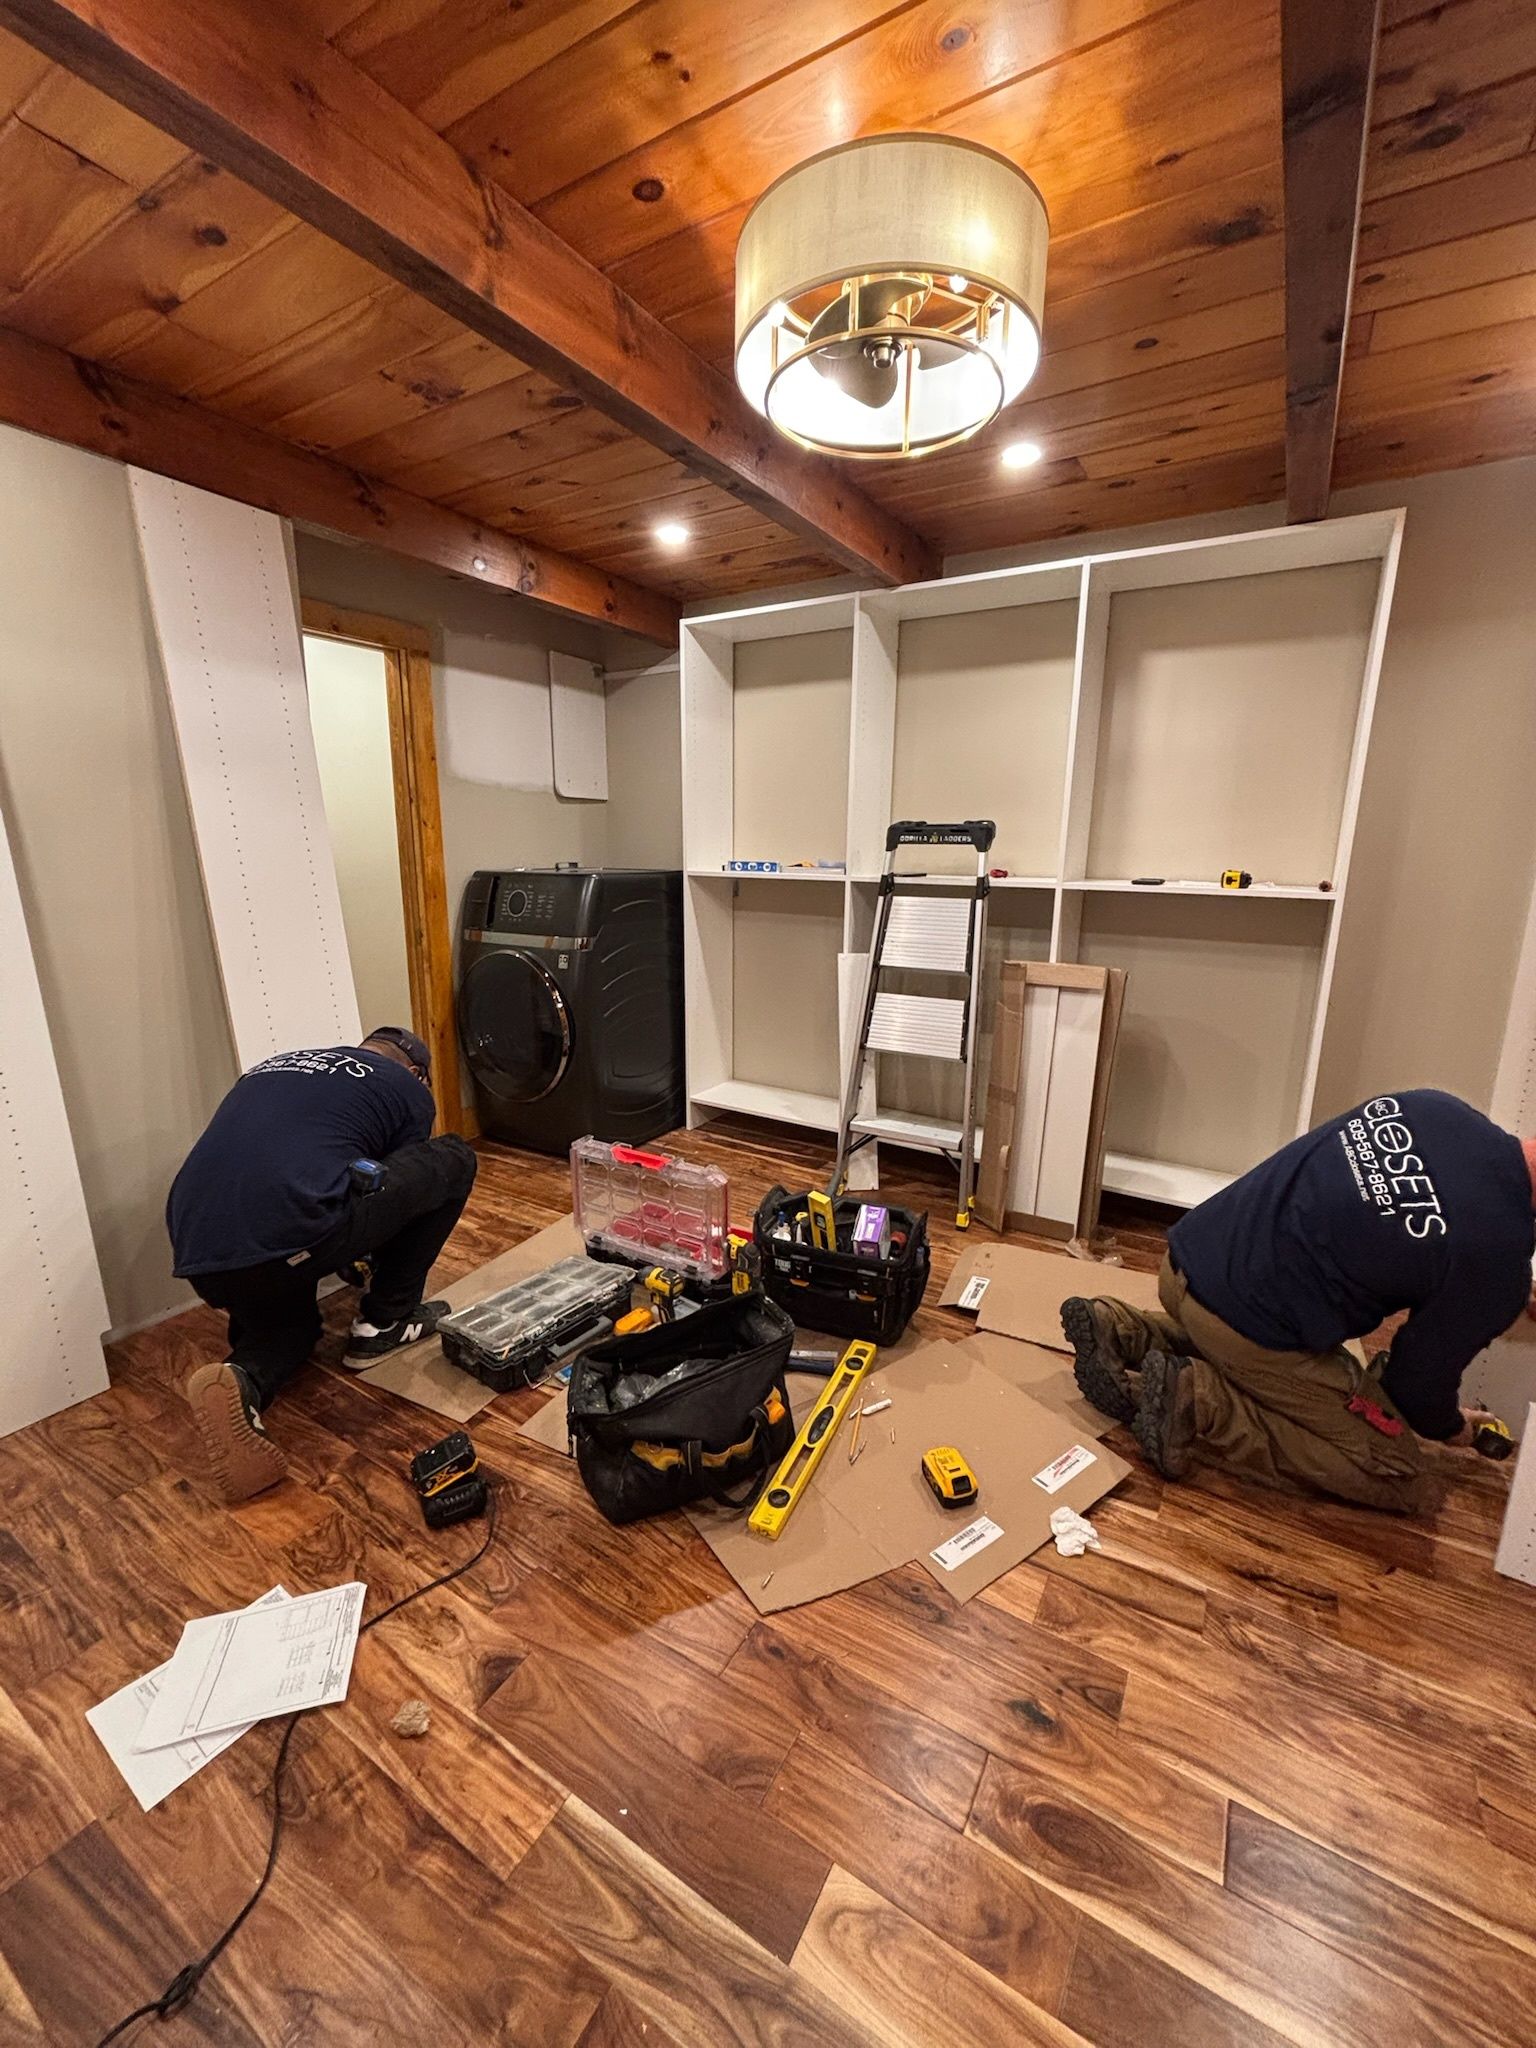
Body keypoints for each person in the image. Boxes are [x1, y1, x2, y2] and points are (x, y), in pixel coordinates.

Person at [1061, 1090, 1536, 1514]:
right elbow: (1414, 1389)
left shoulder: (1438, 1108)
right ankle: (1201, 1400)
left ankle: (1125, 1329)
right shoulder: (1496, 1260)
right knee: (1399, 1472)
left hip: (1185, 1263)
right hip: (1246, 1330)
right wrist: (1457, 1430)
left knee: (1267, 1337)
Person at [171, 1027, 477, 1504]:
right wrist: (367, 1259)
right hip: (292, 1231)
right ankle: (385, 1324)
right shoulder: (406, 1090)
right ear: (417, 1073)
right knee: (452, 1157)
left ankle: (242, 1380)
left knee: (288, 1328)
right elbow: (394, 1194)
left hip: (204, 1256)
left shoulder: (275, 1064)